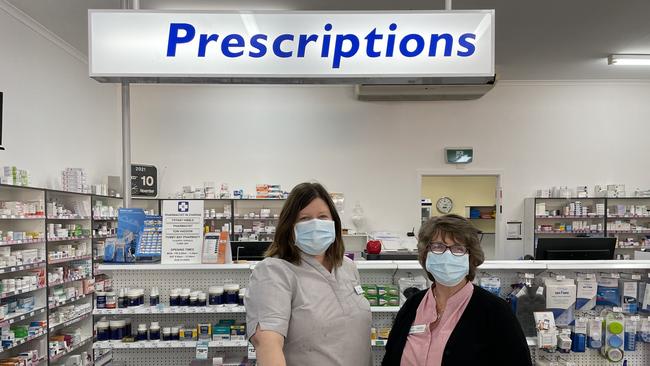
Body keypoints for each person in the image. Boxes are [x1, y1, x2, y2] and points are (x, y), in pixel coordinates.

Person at [245, 182, 372, 366]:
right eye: (304, 218)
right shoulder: (274, 272)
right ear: (289, 226)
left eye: (322, 217)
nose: (315, 224)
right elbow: (268, 345)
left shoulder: (347, 267)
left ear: (333, 223)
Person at [382, 214, 532, 366]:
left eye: (458, 248)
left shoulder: (495, 311)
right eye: (438, 246)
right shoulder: (412, 305)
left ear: (471, 257)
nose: (448, 255)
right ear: (426, 254)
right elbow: (390, 359)